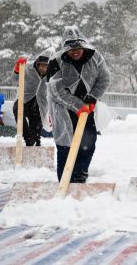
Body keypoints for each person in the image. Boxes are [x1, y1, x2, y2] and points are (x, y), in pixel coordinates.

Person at [46, 27, 111, 182]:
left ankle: (79, 176)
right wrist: (77, 105)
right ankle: (65, 180)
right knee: (65, 146)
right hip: (62, 109)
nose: (75, 51)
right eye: (71, 48)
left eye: (78, 47)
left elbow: (104, 78)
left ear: (84, 45)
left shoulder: (95, 57)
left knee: (88, 143)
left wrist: (92, 97)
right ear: (65, 49)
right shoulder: (55, 61)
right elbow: (56, 90)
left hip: (87, 107)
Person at [12, 48, 54, 146]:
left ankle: (35, 143)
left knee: (36, 133)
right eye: (42, 66)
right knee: (17, 110)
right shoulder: (27, 68)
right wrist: (18, 68)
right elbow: (14, 79)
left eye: (46, 66)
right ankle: (27, 137)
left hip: (40, 104)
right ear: (37, 63)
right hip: (25, 99)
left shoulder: (52, 74)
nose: (43, 69)